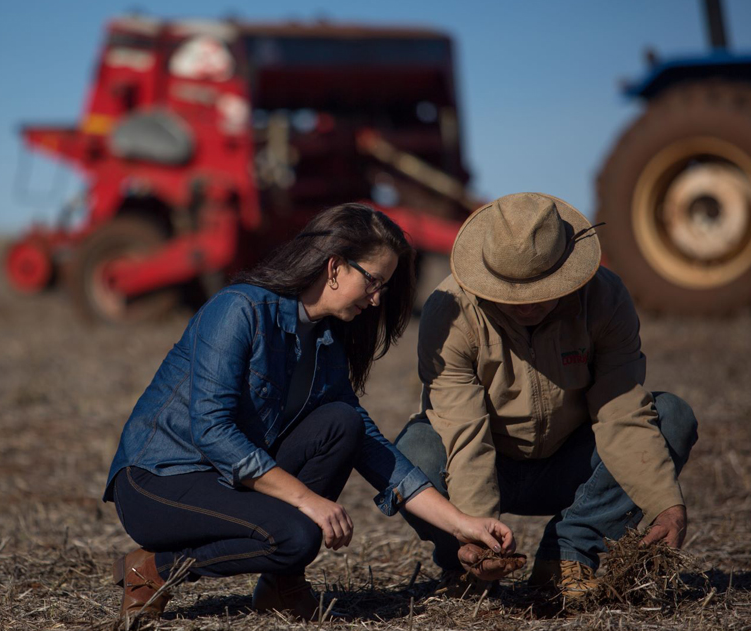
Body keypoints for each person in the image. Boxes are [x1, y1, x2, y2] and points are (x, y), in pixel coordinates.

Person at [103, 203, 517, 622]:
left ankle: (279, 587)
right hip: (158, 480)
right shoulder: (240, 309)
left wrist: (462, 524)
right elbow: (212, 431)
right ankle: (153, 569)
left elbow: (372, 449)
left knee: (343, 423)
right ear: (335, 267)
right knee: (297, 535)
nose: (376, 301)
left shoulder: (326, 340)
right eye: (373, 282)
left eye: (384, 289)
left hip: (224, 479)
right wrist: (308, 501)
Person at [394, 192, 699, 598]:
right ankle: (465, 566)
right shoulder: (449, 312)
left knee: (672, 416)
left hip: (571, 466)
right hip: (484, 463)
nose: (524, 306)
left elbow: (623, 411)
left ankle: (567, 554)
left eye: (540, 289)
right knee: (415, 452)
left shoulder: (605, 299)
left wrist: (666, 504)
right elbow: (463, 435)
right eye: (509, 292)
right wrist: (477, 532)